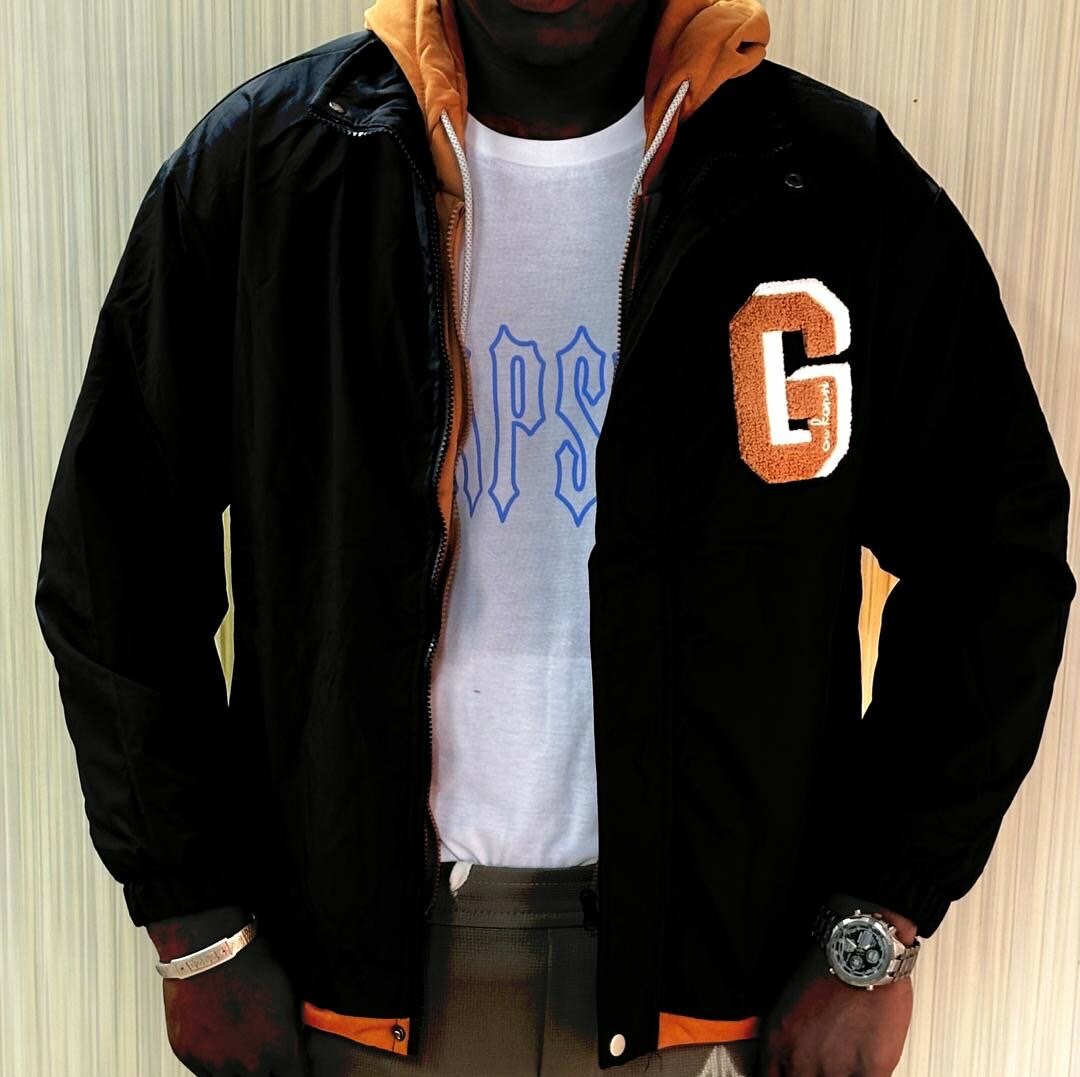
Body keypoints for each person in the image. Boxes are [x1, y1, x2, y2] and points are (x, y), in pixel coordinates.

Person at [33, 0, 1075, 1073]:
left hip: (720, 986)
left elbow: (994, 558)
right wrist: (195, 920)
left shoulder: (831, 184)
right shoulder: (267, 171)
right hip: (349, 980)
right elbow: (114, 562)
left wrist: (877, 921)